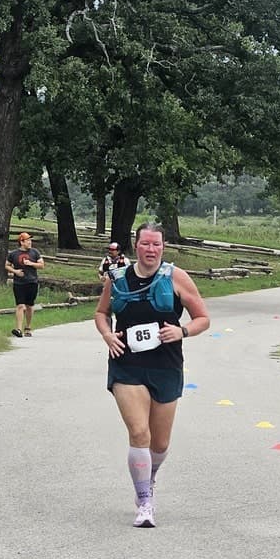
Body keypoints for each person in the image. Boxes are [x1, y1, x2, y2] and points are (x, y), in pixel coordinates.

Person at [94, 221, 210, 527]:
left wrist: (181, 330)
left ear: (163, 247)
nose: (151, 250)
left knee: (159, 444)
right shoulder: (117, 277)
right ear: (136, 245)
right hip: (126, 364)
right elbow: (101, 313)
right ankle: (144, 501)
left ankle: (150, 476)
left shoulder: (176, 277)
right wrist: (107, 336)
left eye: (156, 244)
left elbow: (203, 319)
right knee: (139, 433)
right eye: (145, 244)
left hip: (166, 366)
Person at [5, 231, 44, 337]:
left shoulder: (35, 252)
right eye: (28, 240)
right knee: (20, 305)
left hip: (32, 282)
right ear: (21, 242)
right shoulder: (13, 254)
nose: (30, 242)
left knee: (29, 306)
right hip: (19, 283)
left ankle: (28, 327)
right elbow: (7, 265)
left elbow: (42, 265)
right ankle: (18, 329)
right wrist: (15, 271)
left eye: (30, 240)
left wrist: (31, 263)